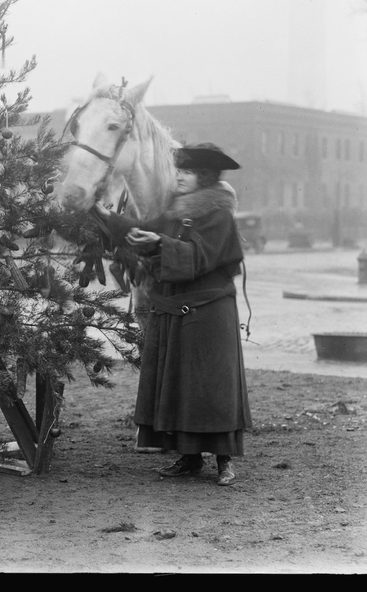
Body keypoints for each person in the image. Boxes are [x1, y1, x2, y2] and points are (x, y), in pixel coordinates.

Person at [95, 142, 251, 486]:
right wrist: (111, 219)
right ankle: (189, 458)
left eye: (187, 172)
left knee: (212, 387)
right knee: (182, 387)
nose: (179, 176)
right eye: (178, 170)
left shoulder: (220, 215)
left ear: (206, 176)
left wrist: (160, 243)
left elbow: (199, 257)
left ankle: (224, 461)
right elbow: (145, 229)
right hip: (179, 313)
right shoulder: (175, 210)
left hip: (210, 316)